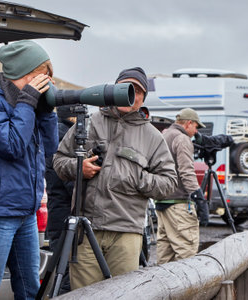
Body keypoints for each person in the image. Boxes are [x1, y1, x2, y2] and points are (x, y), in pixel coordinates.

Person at [53, 67, 178, 289]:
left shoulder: (153, 137)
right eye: (125, 87)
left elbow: (168, 183)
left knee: (123, 294)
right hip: (85, 229)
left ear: (143, 98)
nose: (130, 93)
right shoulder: (89, 123)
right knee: (83, 295)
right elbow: (59, 161)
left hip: (126, 233)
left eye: (138, 90)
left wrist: (136, 177)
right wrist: (78, 168)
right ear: (112, 90)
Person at [0, 40, 58, 300]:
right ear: (27, 76)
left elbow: (50, 148)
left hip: (25, 211)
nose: (46, 85)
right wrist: (28, 103)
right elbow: (12, 145)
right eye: (42, 78)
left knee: (30, 289)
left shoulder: (27, 103)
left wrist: (46, 111)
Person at [154, 108, 209, 264]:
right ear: (189, 123)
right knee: (187, 253)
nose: (196, 131)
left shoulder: (164, 135)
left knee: (165, 256)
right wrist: (199, 197)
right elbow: (186, 172)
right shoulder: (182, 139)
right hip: (178, 203)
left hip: (162, 202)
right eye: (196, 127)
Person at [45, 105, 77, 294]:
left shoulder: (55, 132)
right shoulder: (65, 138)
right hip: (65, 215)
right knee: (67, 275)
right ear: (73, 118)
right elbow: (70, 182)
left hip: (58, 212)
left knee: (63, 271)